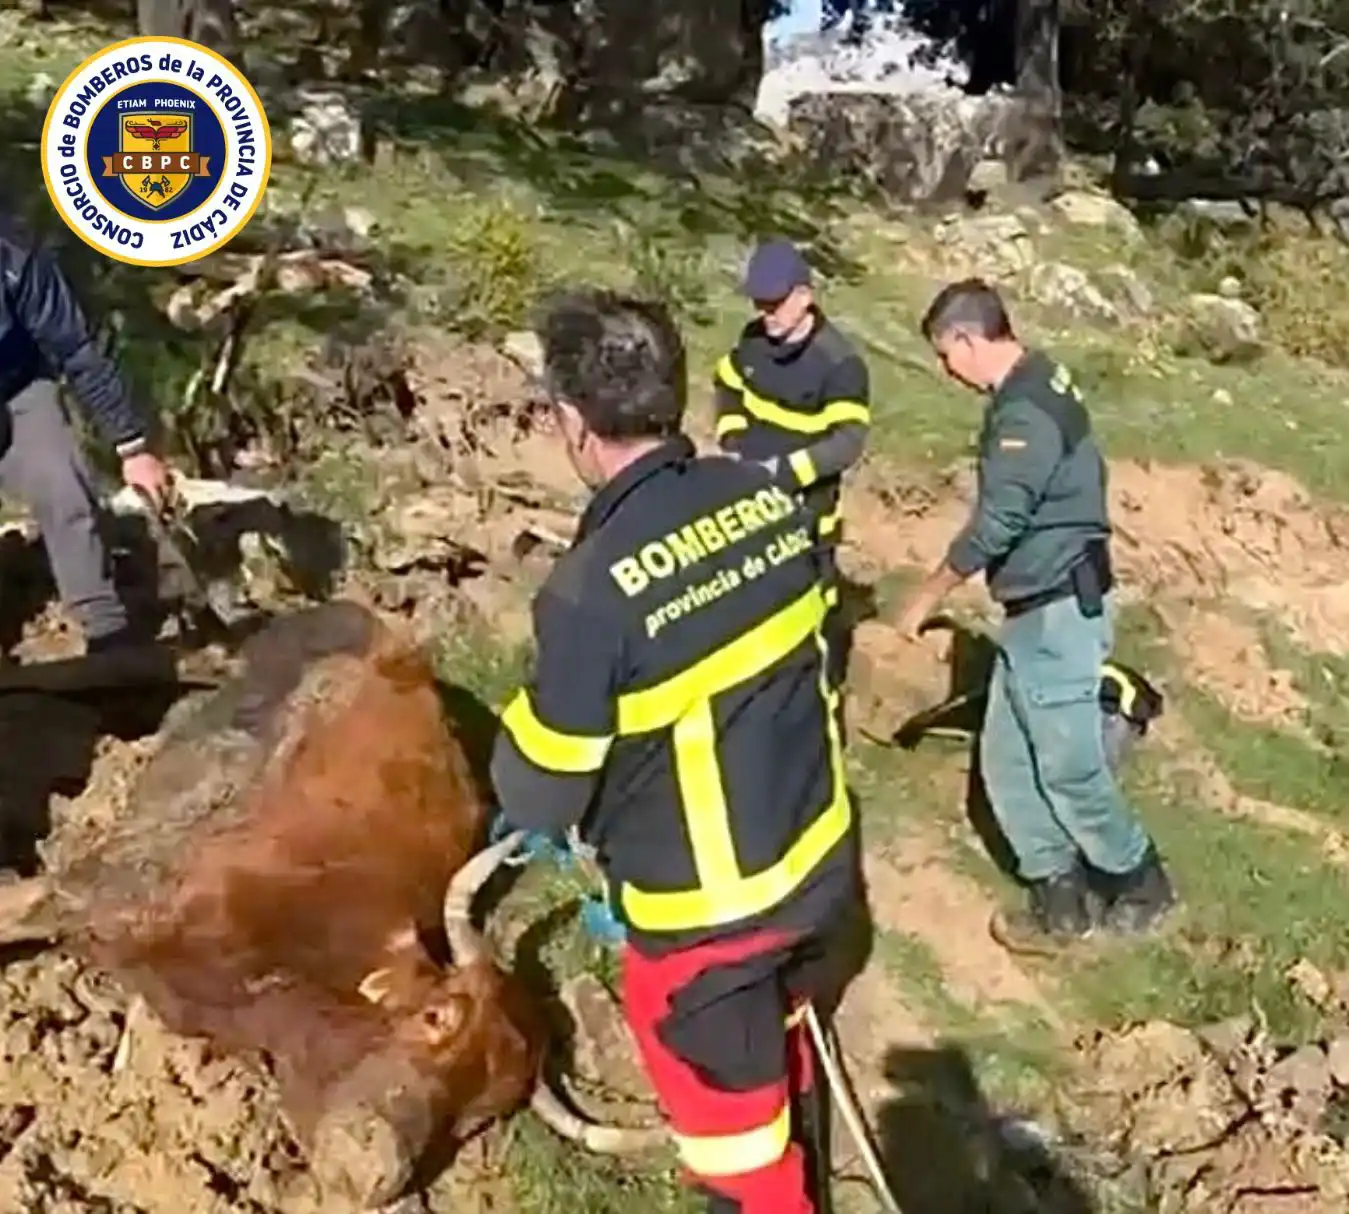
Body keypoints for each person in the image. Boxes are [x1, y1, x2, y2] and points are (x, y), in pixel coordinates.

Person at [491, 287, 861, 1214]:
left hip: (709, 928)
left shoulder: (588, 595)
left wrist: (520, 793)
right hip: (820, 867)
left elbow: (543, 789)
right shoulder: (768, 501)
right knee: (784, 1067)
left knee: (743, 1170)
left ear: (572, 423)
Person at [895, 278, 1176, 949]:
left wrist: (928, 594)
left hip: (1055, 613)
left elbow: (999, 520)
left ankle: (1139, 882)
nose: (944, 370)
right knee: (1005, 762)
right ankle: (1059, 896)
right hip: (1034, 608)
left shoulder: (1022, 414)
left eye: (944, 354)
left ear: (967, 338)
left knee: (1068, 768)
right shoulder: (1043, 376)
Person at [0, 214, 171, 653]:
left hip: (17, 386)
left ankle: (107, 630)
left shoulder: (16, 253)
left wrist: (133, 447)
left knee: (62, 484)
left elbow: (76, 348)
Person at [713, 238, 871, 694]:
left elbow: (847, 442)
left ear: (805, 295)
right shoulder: (752, 342)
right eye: (760, 304)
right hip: (749, 506)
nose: (767, 314)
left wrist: (783, 473)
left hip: (807, 516)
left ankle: (818, 704)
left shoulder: (840, 364)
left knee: (808, 619)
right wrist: (732, 435)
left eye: (776, 304)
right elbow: (726, 382)